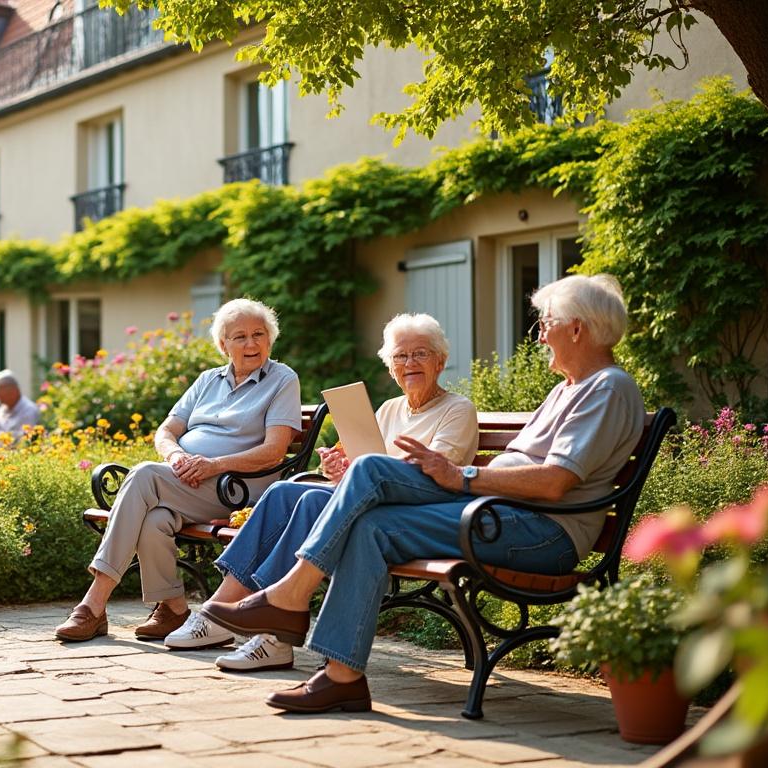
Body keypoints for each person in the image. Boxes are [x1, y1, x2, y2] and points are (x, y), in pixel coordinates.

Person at [199, 274, 644, 714]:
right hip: (498, 514)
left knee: (372, 468)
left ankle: (289, 598)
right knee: (369, 526)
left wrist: (462, 477)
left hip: (541, 530)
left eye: (545, 323)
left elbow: (554, 482)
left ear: (578, 328)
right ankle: (342, 678)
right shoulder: (569, 388)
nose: (541, 334)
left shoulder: (606, 388)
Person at [163, 314, 479, 672]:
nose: (409, 364)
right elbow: (370, 465)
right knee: (284, 491)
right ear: (390, 367)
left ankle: (267, 632)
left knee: (312, 499)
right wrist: (342, 470)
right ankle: (228, 610)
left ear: (440, 360)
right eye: (400, 357)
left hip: (412, 514)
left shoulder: (457, 410)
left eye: (420, 354)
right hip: (371, 503)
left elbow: (436, 474)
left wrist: (363, 472)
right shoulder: (390, 409)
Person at [54, 298, 303, 644]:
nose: (250, 344)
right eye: (240, 337)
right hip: (188, 481)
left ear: (270, 339)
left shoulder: (282, 379)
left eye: (258, 334)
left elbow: (274, 451)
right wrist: (175, 458)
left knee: (143, 475)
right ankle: (173, 608)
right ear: (223, 345)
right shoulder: (207, 381)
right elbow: (166, 431)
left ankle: (93, 603)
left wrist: (213, 465)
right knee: (155, 518)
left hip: (236, 490)